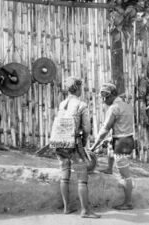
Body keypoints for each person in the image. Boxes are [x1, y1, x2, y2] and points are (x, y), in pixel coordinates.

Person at [53, 76, 101, 218]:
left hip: (60, 143)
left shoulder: (62, 104)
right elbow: (86, 128)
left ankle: (67, 207)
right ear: (78, 88)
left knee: (65, 175)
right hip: (74, 144)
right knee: (82, 177)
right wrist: (85, 143)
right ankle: (85, 211)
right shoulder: (81, 105)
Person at [90, 83, 134, 210]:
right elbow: (123, 125)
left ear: (113, 95)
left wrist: (93, 146)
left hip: (121, 142)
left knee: (125, 175)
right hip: (127, 138)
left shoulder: (114, 108)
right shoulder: (126, 105)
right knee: (110, 144)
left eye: (106, 96)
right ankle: (109, 168)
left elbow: (105, 129)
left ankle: (128, 202)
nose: (103, 100)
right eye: (102, 96)